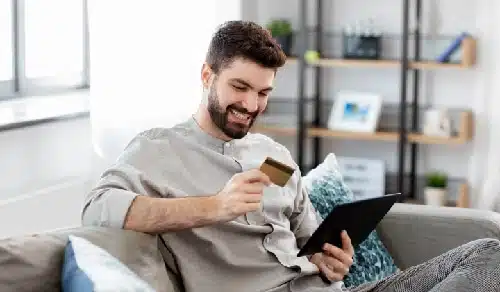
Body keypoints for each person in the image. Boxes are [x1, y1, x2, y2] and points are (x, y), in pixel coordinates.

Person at [82, 20, 500, 292]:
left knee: (488, 251)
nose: (251, 104)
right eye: (239, 87)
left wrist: (332, 262)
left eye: (263, 93)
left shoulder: (274, 155)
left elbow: (310, 242)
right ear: (207, 76)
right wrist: (217, 206)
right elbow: (98, 210)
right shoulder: (157, 150)